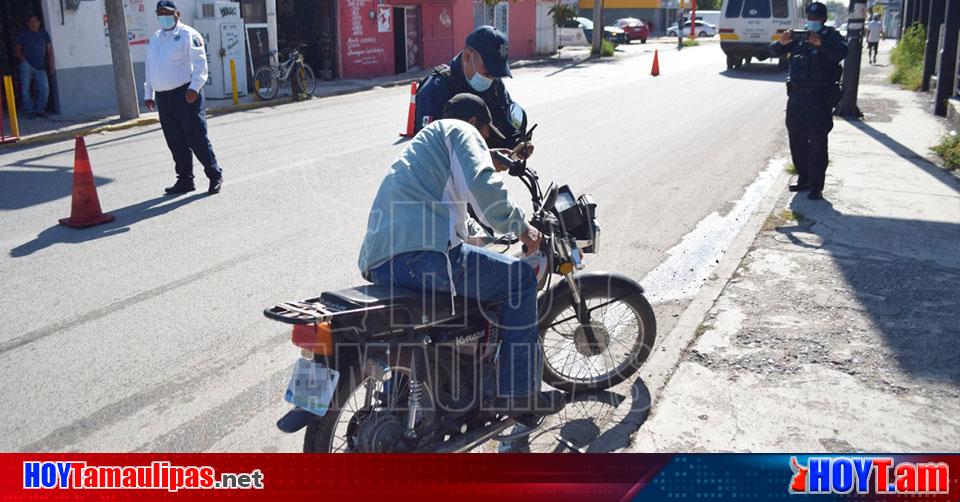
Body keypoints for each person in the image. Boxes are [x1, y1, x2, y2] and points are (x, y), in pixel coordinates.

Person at [358, 93, 563, 417]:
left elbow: (451, 211)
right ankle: (520, 395)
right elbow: (483, 187)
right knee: (521, 281)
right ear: (473, 124)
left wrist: (485, 235)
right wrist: (521, 227)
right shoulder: (460, 131)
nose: (482, 145)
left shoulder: (424, 148)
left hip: (382, 263)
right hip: (423, 257)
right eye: (483, 136)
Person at [769, 2, 847, 201]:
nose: (811, 22)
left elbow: (841, 53)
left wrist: (820, 43)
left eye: (816, 19)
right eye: (809, 19)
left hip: (819, 97)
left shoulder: (831, 36)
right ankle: (804, 178)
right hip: (796, 96)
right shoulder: (799, 37)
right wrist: (782, 42)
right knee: (797, 138)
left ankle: (817, 185)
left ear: (823, 19)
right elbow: (773, 51)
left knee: (818, 141)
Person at [144, 0, 223, 195]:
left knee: (196, 137)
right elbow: (150, 67)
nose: (164, 17)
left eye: (167, 13)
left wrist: (195, 87)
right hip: (164, 98)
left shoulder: (189, 34)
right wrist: (149, 93)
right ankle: (185, 180)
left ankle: (214, 175)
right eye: (160, 13)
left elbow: (200, 63)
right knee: (175, 141)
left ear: (177, 13)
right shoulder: (155, 38)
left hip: (186, 95)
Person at [414, 26, 523, 149]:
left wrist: (517, 143)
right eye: (487, 73)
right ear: (467, 56)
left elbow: (508, 119)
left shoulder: (494, 83)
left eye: (495, 75)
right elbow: (427, 150)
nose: (491, 79)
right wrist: (481, 158)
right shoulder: (435, 89)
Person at [15, 14, 54, 119]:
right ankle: (30, 111)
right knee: (25, 89)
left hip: (40, 65)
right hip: (27, 64)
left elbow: (49, 49)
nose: (34, 24)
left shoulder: (44, 34)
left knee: (45, 89)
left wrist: (51, 63)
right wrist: (23, 60)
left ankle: (40, 110)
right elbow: (17, 49)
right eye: (32, 21)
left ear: (39, 23)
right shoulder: (23, 35)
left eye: (36, 21)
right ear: (28, 23)